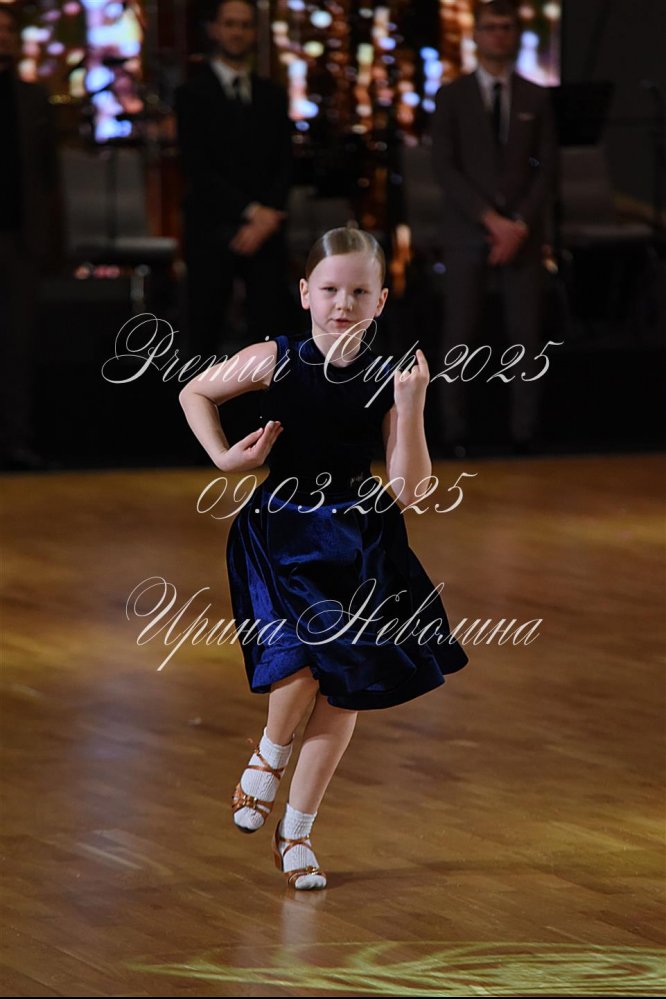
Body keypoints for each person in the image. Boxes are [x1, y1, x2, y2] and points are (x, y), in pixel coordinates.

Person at [178, 226, 469, 890]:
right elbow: (194, 391)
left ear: (381, 300)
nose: (343, 303)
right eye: (331, 289)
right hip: (281, 533)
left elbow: (411, 490)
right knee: (306, 663)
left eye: (359, 292)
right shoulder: (274, 358)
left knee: (348, 687)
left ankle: (298, 831)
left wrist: (412, 405)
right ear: (306, 292)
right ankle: (268, 756)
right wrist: (224, 457)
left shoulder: (391, 375)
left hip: (362, 542)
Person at [430, 0, 557, 456]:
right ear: (476, 35)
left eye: (506, 27)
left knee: (527, 335)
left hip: (523, 234)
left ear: (516, 35)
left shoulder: (536, 96)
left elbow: (547, 168)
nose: (499, 34)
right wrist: (491, 220)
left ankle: (525, 432)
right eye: (490, 27)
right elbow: (444, 167)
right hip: (467, 230)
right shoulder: (451, 95)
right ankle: (454, 433)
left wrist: (517, 225)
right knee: (459, 333)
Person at [174, 0, 295, 360]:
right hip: (211, 230)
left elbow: (285, 163)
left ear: (255, 32)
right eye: (230, 24)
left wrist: (266, 217)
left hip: (267, 235)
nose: (237, 32)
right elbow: (197, 168)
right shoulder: (191, 95)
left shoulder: (273, 95)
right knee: (204, 340)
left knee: (271, 342)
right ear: (214, 30)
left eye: (244, 25)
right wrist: (251, 212)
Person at [0, 5, 62, 470]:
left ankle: (16, 442)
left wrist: (50, 245)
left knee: (18, 347)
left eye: (7, 29)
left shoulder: (33, 98)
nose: (2, 36)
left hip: (18, 240)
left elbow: (48, 179)